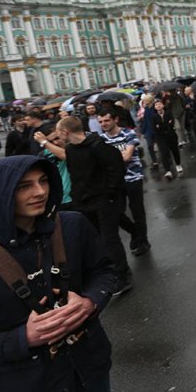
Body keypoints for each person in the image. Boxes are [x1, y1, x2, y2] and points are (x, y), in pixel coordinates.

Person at [0, 155, 117, 392]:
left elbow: (103, 271)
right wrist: (22, 339)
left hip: (87, 371)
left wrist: (90, 302)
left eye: (44, 181)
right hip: (20, 389)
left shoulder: (72, 225)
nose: (40, 191)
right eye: (24, 186)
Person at [52, 115, 132, 295]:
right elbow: (75, 176)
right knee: (98, 240)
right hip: (84, 204)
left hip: (104, 202)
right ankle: (112, 270)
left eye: (58, 133)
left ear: (65, 131)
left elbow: (117, 169)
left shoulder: (98, 146)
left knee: (109, 239)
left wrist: (110, 195)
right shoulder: (71, 150)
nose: (58, 137)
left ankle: (122, 275)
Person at [98, 108, 150, 257]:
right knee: (116, 212)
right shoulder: (102, 139)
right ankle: (135, 232)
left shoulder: (129, 133)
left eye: (107, 120)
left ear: (115, 120)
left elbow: (127, 156)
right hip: (115, 181)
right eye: (100, 122)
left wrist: (109, 158)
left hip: (133, 178)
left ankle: (143, 241)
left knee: (137, 211)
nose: (104, 124)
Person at [152, 99, 183, 180]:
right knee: (164, 153)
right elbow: (155, 129)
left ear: (163, 105)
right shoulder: (154, 116)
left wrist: (161, 125)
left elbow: (171, 124)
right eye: (156, 105)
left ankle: (178, 164)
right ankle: (168, 170)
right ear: (155, 107)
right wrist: (165, 124)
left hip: (171, 135)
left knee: (175, 150)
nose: (158, 106)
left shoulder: (169, 113)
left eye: (160, 104)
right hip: (161, 137)